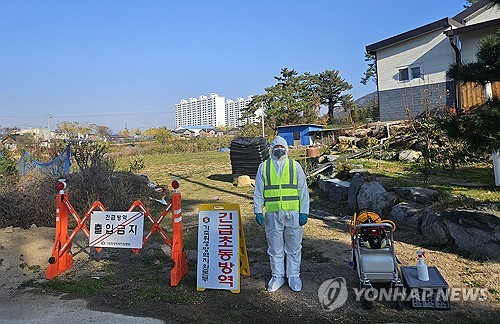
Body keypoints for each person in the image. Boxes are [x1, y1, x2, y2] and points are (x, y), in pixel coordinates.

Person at [253, 136, 310, 292]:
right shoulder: (263, 167)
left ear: (286, 148)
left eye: (281, 146)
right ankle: (277, 275)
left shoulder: (295, 166)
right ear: (271, 148)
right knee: (275, 247)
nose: (279, 149)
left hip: (293, 213)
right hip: (272, 214)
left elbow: (303, 191)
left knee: (294, 246)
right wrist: (258, 210)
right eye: (276, 146)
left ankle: (293, 275)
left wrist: (304, 211)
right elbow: (258, 191)